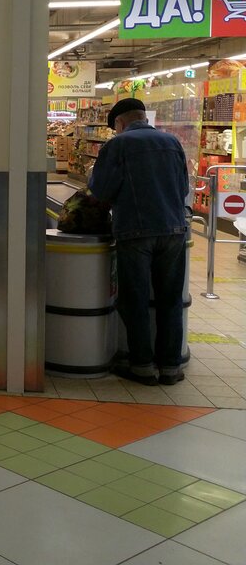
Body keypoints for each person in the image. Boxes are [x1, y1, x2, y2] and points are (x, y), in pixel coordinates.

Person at [89, 98, 190, 387]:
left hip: (135, 231)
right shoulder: (172, 143)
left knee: (135, 300)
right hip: (173, 230)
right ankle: (170, 367)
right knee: (170, 300)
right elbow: (183, 187)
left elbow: (102, 189)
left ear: (119, 123)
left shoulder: (118, 145)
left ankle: (142, 366)